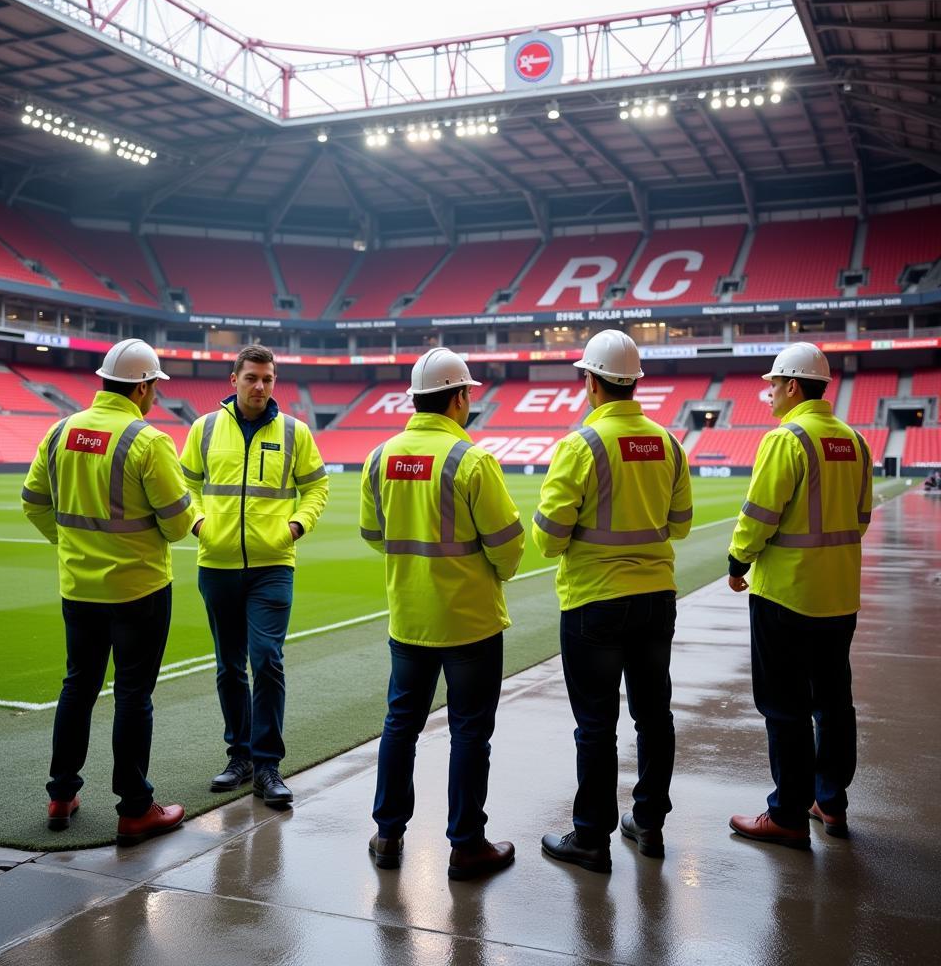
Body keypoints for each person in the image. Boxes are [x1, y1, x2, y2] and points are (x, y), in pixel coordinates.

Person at [21, 338, 197, 845]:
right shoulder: (148, 441)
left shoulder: (60, 431)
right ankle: (136, 809)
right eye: (154, 388)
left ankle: (61, 793)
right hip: (139, 588)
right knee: (133, 694)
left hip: (79, 588)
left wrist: (72, 544)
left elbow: (33, 502)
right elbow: (180, 524)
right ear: (141, 386)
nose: (156, 398)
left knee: (77, 686)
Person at [360, 347, 524, 881]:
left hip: (408, 619)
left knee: (400, 726)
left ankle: (388, 834)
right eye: (468, 394)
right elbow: (508, 546)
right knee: (470, 733)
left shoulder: (381, 456)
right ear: (458, 398)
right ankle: (466, 844)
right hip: (470, 622)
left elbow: (373, 535)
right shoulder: (471, 460)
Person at [532, 330, 692, 873]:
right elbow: (682, 525)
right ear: (635, 384)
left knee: (596, 725)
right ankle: (648, 824)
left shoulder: (581, 445)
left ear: (591, 382)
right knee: (654, 716)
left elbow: (549, 538)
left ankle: (591, 839)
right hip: (656, 598)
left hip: (594, 602)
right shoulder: (668, 442)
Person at [726, 342, 873, 849]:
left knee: (784, 705)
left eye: (772, 384)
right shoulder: (854, 440)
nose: (768, 393)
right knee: (834, 703)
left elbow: (759, 515)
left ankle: (786, 814)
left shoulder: (785, 440)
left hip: (785, 596)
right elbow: (861, 518)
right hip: (839, 596)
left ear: (792, 385)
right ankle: (830, 802)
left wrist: (737, 560)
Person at [180, 345, 328, 807]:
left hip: (272, 567)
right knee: (228, 667)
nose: (260, 386)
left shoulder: (294, 432)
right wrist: (199, 523)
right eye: (251, 378)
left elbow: (317, 486)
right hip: (217, 564)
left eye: (267, 378)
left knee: (266, 660)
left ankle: (267, 766)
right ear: (234, 380)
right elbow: (183, 484)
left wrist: (296, 526)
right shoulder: (204, 429)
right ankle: (238, 757)